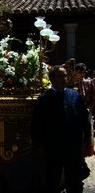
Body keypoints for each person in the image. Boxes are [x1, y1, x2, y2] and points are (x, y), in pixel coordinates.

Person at [30, 65, 93, 193]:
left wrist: (86, 138)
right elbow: (36, 123)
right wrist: (39, 145)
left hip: (73, 147)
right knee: (53, 181)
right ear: (52, 79)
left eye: (65, 76)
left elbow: (84, 118)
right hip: (53, 148)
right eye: (60, 76)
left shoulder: (74, 95)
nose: (64, 79)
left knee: (75, 181)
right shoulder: (44, 99)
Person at [74, 62, 95, 179]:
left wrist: (90, 109)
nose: (81, 75)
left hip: (86, 113)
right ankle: (78, 159)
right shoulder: (72, 83)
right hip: (75, 114)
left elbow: (93, 97)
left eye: (83, 72)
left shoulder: (88, 82)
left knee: (86, 137)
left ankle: (83, 158)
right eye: (79, 72)